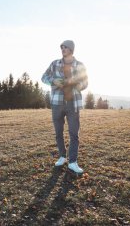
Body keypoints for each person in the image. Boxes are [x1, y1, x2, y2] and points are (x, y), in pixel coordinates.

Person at [41, 40, 88, 174]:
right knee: (58, 133)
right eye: (61, 47)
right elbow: (43, 77)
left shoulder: (80, 65)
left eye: (65, 47)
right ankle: (62, 156)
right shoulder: (54, 63)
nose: (62, 49)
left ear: (71, 49)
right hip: (57, 103)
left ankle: (72, 162)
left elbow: (85, 82)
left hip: (73, 104)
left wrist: (77, 85)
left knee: (74, 134)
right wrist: (53, 81)